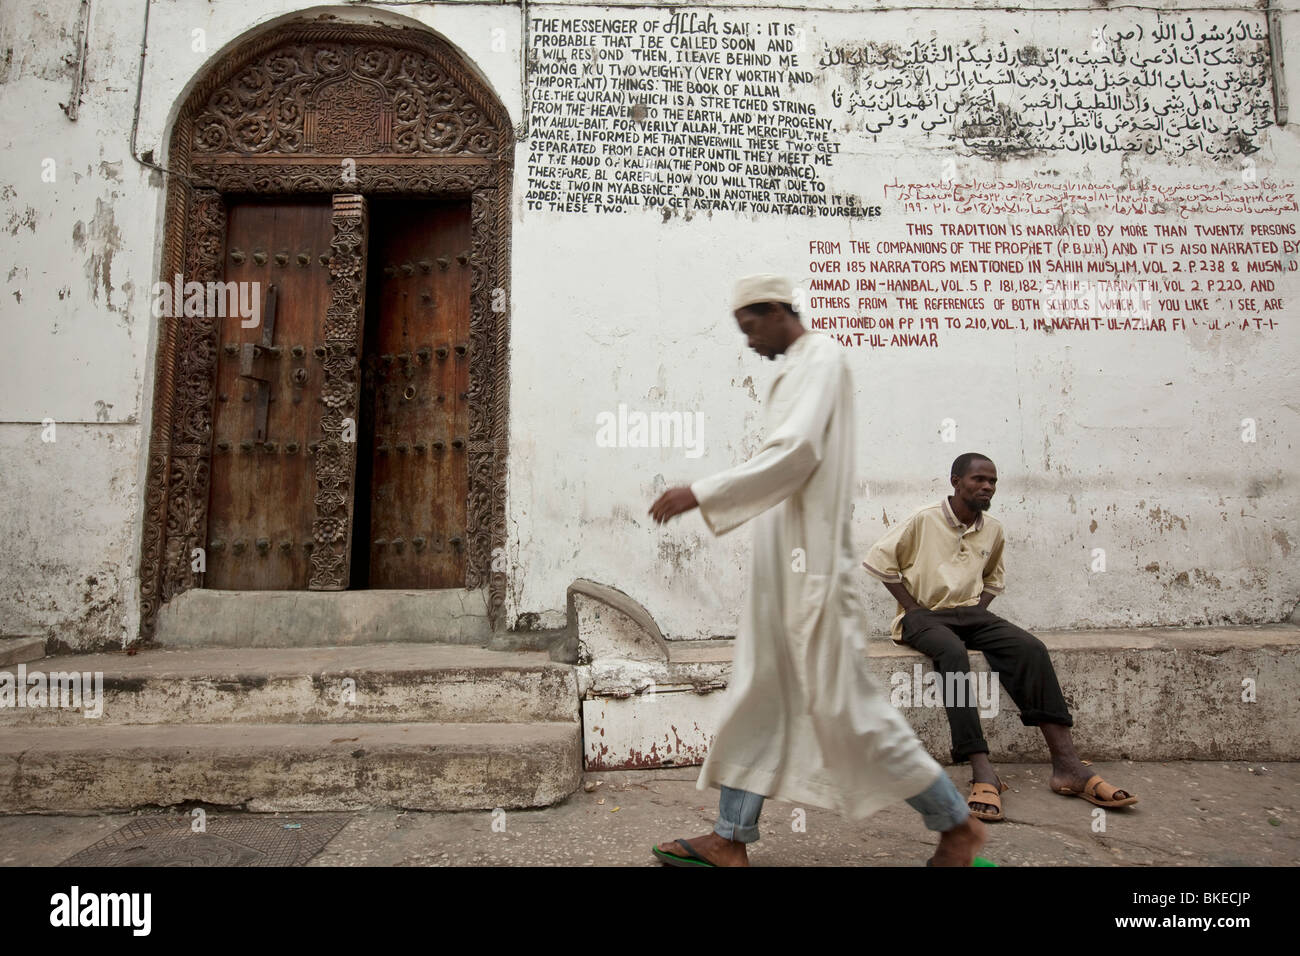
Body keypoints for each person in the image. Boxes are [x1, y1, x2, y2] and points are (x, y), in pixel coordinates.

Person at [647, 274, 986, 867]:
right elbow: (783, 459)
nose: (749, 342)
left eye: (752, 327)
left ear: (778, 311)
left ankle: (957, 826)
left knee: (847, 710)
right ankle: (729, 838)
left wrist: (702, 492)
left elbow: (797, 452)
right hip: (784, 573)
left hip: (813, 579)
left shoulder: (823, 357)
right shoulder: (795, 367)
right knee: (758, 698)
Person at [863, 453, 1139, 822]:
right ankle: (981, 767)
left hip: (969, 613)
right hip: (924, 617)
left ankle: (1068, 765)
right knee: (952, 653)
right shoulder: (924, 519)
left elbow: (994, 578)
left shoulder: (992, 528)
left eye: (992, 481)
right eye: (978, 479)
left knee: (1030, 648)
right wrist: (913, 608)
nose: (987, 487)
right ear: (956, 481)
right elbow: (880, 562)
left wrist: (978, 608)